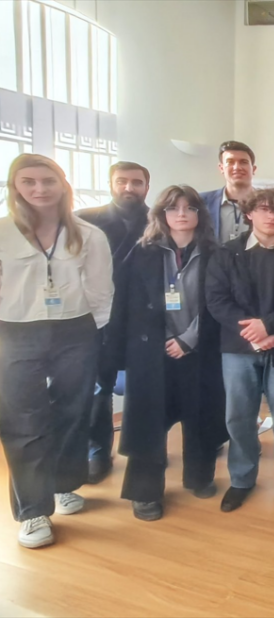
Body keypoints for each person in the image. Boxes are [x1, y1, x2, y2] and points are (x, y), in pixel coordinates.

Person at [0, 154, 114, 548]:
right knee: (23, 421)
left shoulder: (88, 235)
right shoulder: (2, 232)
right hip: (15, 331)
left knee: (73, 412)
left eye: (48, 181)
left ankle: (63, 485)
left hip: (75, 331)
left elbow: (101, 291)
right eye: (28, 181)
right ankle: (33, 511)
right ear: (15, 187)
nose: (39, 189)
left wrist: (91, 332)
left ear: (63, 185)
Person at [108, 185, 227, 521]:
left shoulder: (216, 253)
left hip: (199, 349)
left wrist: (189, 339)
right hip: (151, 352)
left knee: (201, 415)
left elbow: (219, 303)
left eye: (190, 208)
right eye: (174, 208)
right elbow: (126, 304)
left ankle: (199, 477)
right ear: (161, 214)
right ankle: (144, 491)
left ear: (200, 214)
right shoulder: (142, 252)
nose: (182, 214)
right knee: (148, 422)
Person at [205, 187, 274, 512]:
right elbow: (217, 301)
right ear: (249, 214)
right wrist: (255, 334)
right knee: (239, 417)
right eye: (265, 209)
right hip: (238, 348)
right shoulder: (226, 254)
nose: (272, 216)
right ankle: (241, 479)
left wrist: (269, 327)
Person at [77, 161, 152, 484]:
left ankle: (144, 451)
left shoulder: (159, 219)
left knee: (147, 390)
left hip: (146, 319)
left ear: (146, 187)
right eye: (122, 181)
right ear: (111, 184)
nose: (129, 188)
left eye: (136, 182)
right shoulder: (84, 220)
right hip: (100, 318)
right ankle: (97, 451)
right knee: (99, 389)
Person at [200, 141, 258, 244]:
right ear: (221, 168)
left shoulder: (270, 204)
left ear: (253, 169)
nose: (237, 167)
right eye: (230, 162)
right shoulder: (201, 202)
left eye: (243, 162)